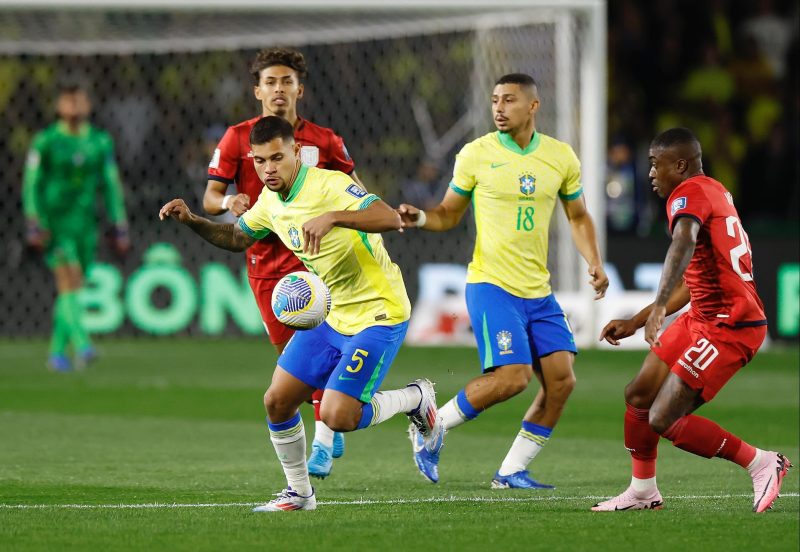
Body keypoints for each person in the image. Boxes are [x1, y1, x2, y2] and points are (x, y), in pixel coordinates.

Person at [159, 115, 444, 512]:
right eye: (259, 161)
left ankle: (416, 399)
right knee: (277, 401)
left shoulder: (329, 184)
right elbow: (239, 237)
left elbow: (389, 217)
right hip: (332, 314)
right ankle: (299, 494)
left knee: (338, 414)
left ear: (296, 151)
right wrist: (193, 220)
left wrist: (334, 217)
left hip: (379, 312)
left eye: (277, 158)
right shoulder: (271, 202)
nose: (268, 169)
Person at [397, 73, 609, 488]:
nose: (498, 107)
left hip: (539, 291)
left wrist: (595, 261)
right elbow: (449, 213)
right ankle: (429, 427)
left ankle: (511, 470)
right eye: (495, 99)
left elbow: (578, 216)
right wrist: (421, 217)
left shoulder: (560, 156)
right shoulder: (476, 154)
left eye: (508, 100)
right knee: (514, 377)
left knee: (562, 380)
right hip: (492, 285)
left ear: (533, 106)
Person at [592, 127, 791, 513]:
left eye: (655, 164)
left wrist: (660, 304)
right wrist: (640, 319)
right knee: (638, 394)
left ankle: (760, 462)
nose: (650, 173)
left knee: (663, 417)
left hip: (729, 327)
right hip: (703, 314)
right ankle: (643, 491)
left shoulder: (687, 195)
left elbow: (682, 244)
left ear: (679, 165)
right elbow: (694, 277)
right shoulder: (714, 189)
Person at [203, 48, 365, 478]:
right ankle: (330, 413)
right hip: (264, 260)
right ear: (257, 90)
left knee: (319, 347)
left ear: (299, 89)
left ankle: (326, 440)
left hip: (314, 258)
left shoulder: (324, 140)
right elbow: (211, 196)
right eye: (270, 82)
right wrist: (228, 201)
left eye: (286, 82)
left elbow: (356, 188)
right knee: (291, 358)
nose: (279, 89)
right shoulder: (238, 138)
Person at [22, 83, 129, 372]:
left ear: (88, 105)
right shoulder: (45, 141)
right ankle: (83, 344)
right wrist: (33, 219)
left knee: (73, 287)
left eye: (79, 100)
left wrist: (118, 222)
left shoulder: (99, 142)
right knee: (67, 279)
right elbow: (31, 184)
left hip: (85, 225)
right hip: (54, 224)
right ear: (59, 105)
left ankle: (57, 353)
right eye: (69, 100)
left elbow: (110, 185)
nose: (75, 105)